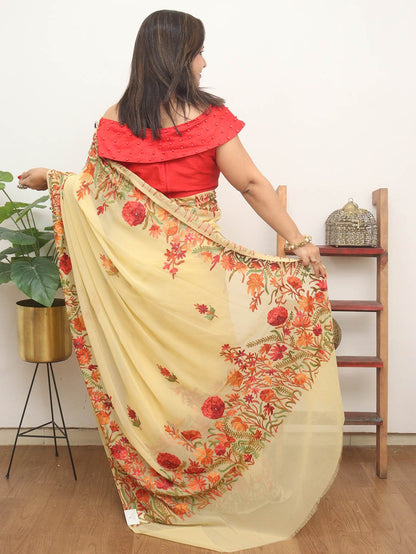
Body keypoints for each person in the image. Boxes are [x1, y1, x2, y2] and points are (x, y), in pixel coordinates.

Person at [18, 10, 343, 552]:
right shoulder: (208, 119)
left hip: (138, 284)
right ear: (179, 56)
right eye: (198, 51)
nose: (204, 61)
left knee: (156, 381)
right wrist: (299, 241)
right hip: (196, 275)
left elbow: (96, 195)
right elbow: (251, 184)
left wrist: (51, 179)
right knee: (210, 377)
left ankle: (165, 491)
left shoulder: (115, 118)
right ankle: (225, 490)